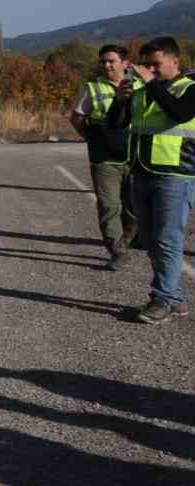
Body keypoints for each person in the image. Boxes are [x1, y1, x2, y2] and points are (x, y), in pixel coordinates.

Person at [107, 36, 195, 324]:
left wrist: (151, 84)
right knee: (150, 240)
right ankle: (175, 298)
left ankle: (162, 299)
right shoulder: (145, 92)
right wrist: (120, 101)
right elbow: (116, 124)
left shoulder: (189, 88)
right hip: (142, 173)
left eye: (155, 65)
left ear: (175, 61)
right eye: (146, 65)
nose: (150, 70)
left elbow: (180, 112)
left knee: (167, 239)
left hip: (175, 176)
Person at [68, 44, 141, 268]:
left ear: (125, 64)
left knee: (135, 206)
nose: (106, 65)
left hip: (135, 157)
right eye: (103, 62)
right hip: (104, 159)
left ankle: (128, 240)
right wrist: (92, 137)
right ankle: (117, 250)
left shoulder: (141, 86)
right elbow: (77, 118)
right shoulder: (91, 87)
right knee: (109, 206)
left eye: (111, 61)